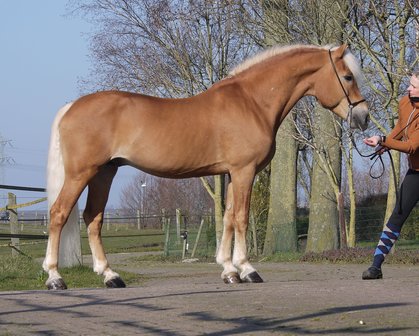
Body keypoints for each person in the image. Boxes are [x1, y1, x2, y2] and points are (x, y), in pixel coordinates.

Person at [362, 71, 419, 280]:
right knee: (397, 215)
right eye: (409, 84)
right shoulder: (405, 102)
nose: (408, 88)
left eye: (413, 86)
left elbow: (412, 146)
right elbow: (400, 127)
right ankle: (376, 267)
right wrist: (383, 144)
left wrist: (384, 140)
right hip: (416, 173)